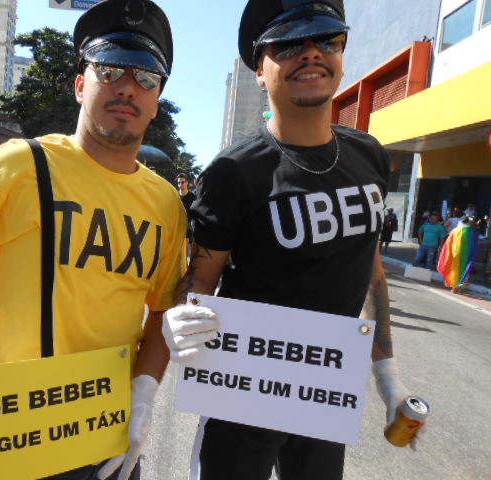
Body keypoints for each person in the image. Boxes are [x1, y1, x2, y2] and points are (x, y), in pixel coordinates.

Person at [0, 1, 185, 479]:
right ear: (81, 84)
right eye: (110, 68)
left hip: (109, 437)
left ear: (156, 100)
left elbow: (162, 309)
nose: (127, 87)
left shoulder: (165, 203)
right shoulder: (17, 166)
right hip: (17, 436)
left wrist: (143, 396)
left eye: (146, 78)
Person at [161, 1, 424, 479]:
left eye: (327, 39)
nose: (310, 54)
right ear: (260, 70)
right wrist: (183, 315)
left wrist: (388, 376)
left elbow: (371, 272)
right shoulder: (233, 171)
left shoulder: (368, 156)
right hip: (244, 395)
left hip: (325, 392)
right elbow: (200, 278)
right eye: (287, 44)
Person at [438, 216, 478, 293]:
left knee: (455, 270)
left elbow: (448, 243)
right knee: (464, 271)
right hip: (466, 255)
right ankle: (461, 287)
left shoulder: (455, 231)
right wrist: (474, 255)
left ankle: (454, 288)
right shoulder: (472, 232)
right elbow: (474, 245)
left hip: (455, 253)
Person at [176, 172, 196, 253]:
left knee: (184, 253)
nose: (180, 184)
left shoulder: (192, 197)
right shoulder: (175, 195)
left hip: (188, 227)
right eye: (179, 182)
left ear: (187, 182)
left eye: (182, 182)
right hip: (176, 227)